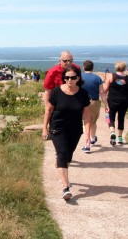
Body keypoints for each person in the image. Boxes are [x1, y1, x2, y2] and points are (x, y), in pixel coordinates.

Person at [43, 66, 91, 200]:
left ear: (78, 79)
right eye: (67, 77)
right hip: (58, 127)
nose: (69, 80)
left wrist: (87, 134)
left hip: (75, 129)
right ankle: (66, 187)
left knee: (68, 155)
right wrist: (44, 128)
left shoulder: (83, 93)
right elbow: (49, 110)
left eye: (73, 77)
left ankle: (62, 169)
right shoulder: (57, 92)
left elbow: (87, 115)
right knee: (62, 153)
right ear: (64, 78)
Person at [81, 60, 109, 152]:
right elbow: (102, 92)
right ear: (92, 68)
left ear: (83, 67)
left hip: (81, 102)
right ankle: (91, 140)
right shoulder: (97, 78)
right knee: (93, 122)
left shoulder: (79, 77)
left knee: (86, 122)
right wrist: (106, 104)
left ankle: (87, 143)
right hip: (94, 102)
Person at [103, 61, 128, 146]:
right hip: (124, 101)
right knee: (121, 118)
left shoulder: (111, 76)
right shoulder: (127, 77)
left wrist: (103, 96)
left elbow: (105, 89)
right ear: (124, 68)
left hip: (112, 100)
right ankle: (120, 138)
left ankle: (112, 132)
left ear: (116, 67)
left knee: (110, 116)